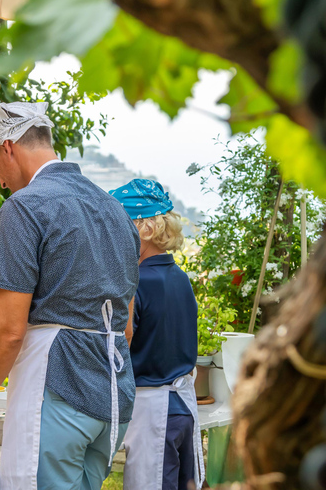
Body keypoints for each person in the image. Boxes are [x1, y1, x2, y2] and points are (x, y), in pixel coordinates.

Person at [0, 102, 141, 490]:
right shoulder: (115, 211)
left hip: (58, 387)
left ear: (8, 147)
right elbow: (125, 326)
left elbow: (9, 330)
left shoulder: (24, 207)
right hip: (112, 397)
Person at [108, 179, 205, 490]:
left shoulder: (135, 283)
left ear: (143, 230)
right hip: (184, 409)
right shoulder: (181, 280)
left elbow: (122, 343)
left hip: (153, 414)